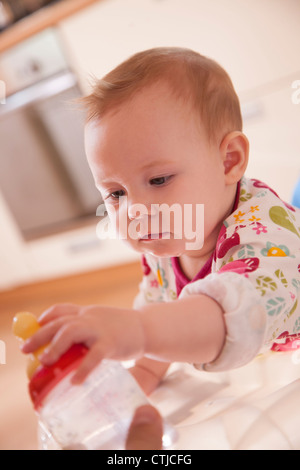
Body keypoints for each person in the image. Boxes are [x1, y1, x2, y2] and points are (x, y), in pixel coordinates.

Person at [23, 47, 300, 400]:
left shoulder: (264, 236)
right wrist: (141, 373)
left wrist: (137, 329)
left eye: (158, 181)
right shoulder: (166, 242)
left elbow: (235, 318)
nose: (135, 211)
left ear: (229, 161)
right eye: (116, 194)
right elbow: (160, 307)